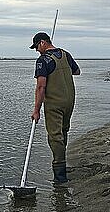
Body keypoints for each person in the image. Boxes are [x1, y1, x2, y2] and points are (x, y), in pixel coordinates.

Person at [30, 31, 80, 183]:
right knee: (63, 131)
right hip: (69, 101)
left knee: (54, 137)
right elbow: (77, 71)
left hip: (54, 104)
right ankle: (62, 163)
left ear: (43, 43)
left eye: (36, 47)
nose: (37, 50)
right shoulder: (65, 54)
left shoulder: (43, 60)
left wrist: (36, 110)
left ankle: (60, 175)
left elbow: (41, 87)